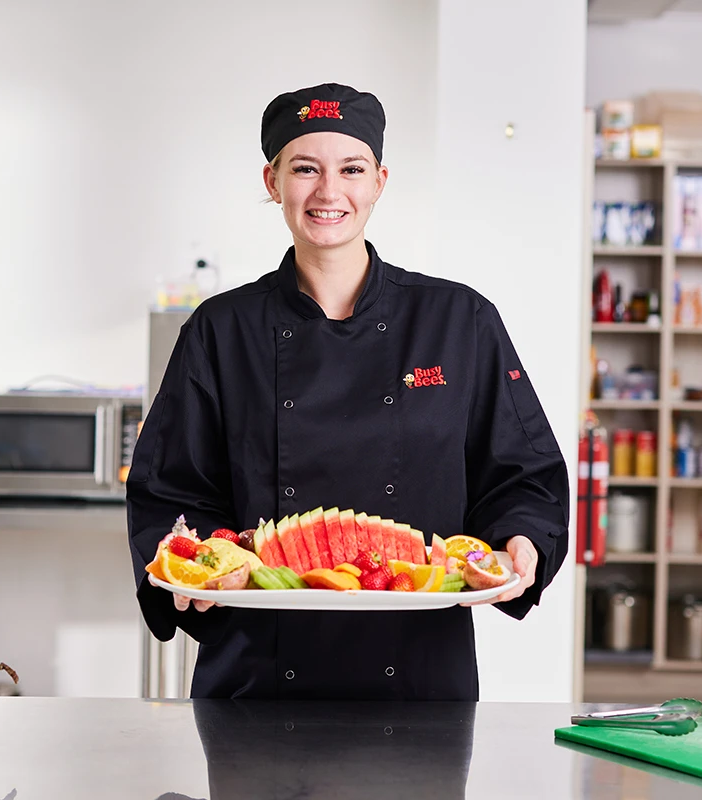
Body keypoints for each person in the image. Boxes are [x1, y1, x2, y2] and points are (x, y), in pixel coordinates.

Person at [127, 82, 570, 701]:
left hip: (421, 676)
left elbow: (523, 474)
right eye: (305, 168)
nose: (328, 191)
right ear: (272, 180)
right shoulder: (220, 329)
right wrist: (191, 565)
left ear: (380, 182)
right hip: (255, 675)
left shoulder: (459, 319)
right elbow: (170, 489)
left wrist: (523, 541)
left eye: (351, 169)